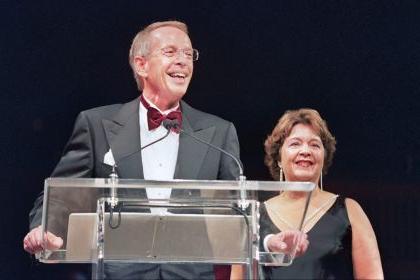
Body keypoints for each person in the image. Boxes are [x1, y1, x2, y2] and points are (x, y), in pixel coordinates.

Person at [23, 20, 241, 280]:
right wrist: (43, 228)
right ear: (141, 64)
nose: (183, 61)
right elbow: (61, 194)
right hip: (119, 274)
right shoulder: (95, 125)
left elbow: (241, 206)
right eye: (170, 52)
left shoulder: (219, 132)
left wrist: (269, 238)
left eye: (188, 54)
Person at [258, 108, 383, 279]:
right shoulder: (255, 216)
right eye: (295, 143)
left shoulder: (350, 211)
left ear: (323, 157)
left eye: (314, 144)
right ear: (279, 158)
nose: (305, 151)